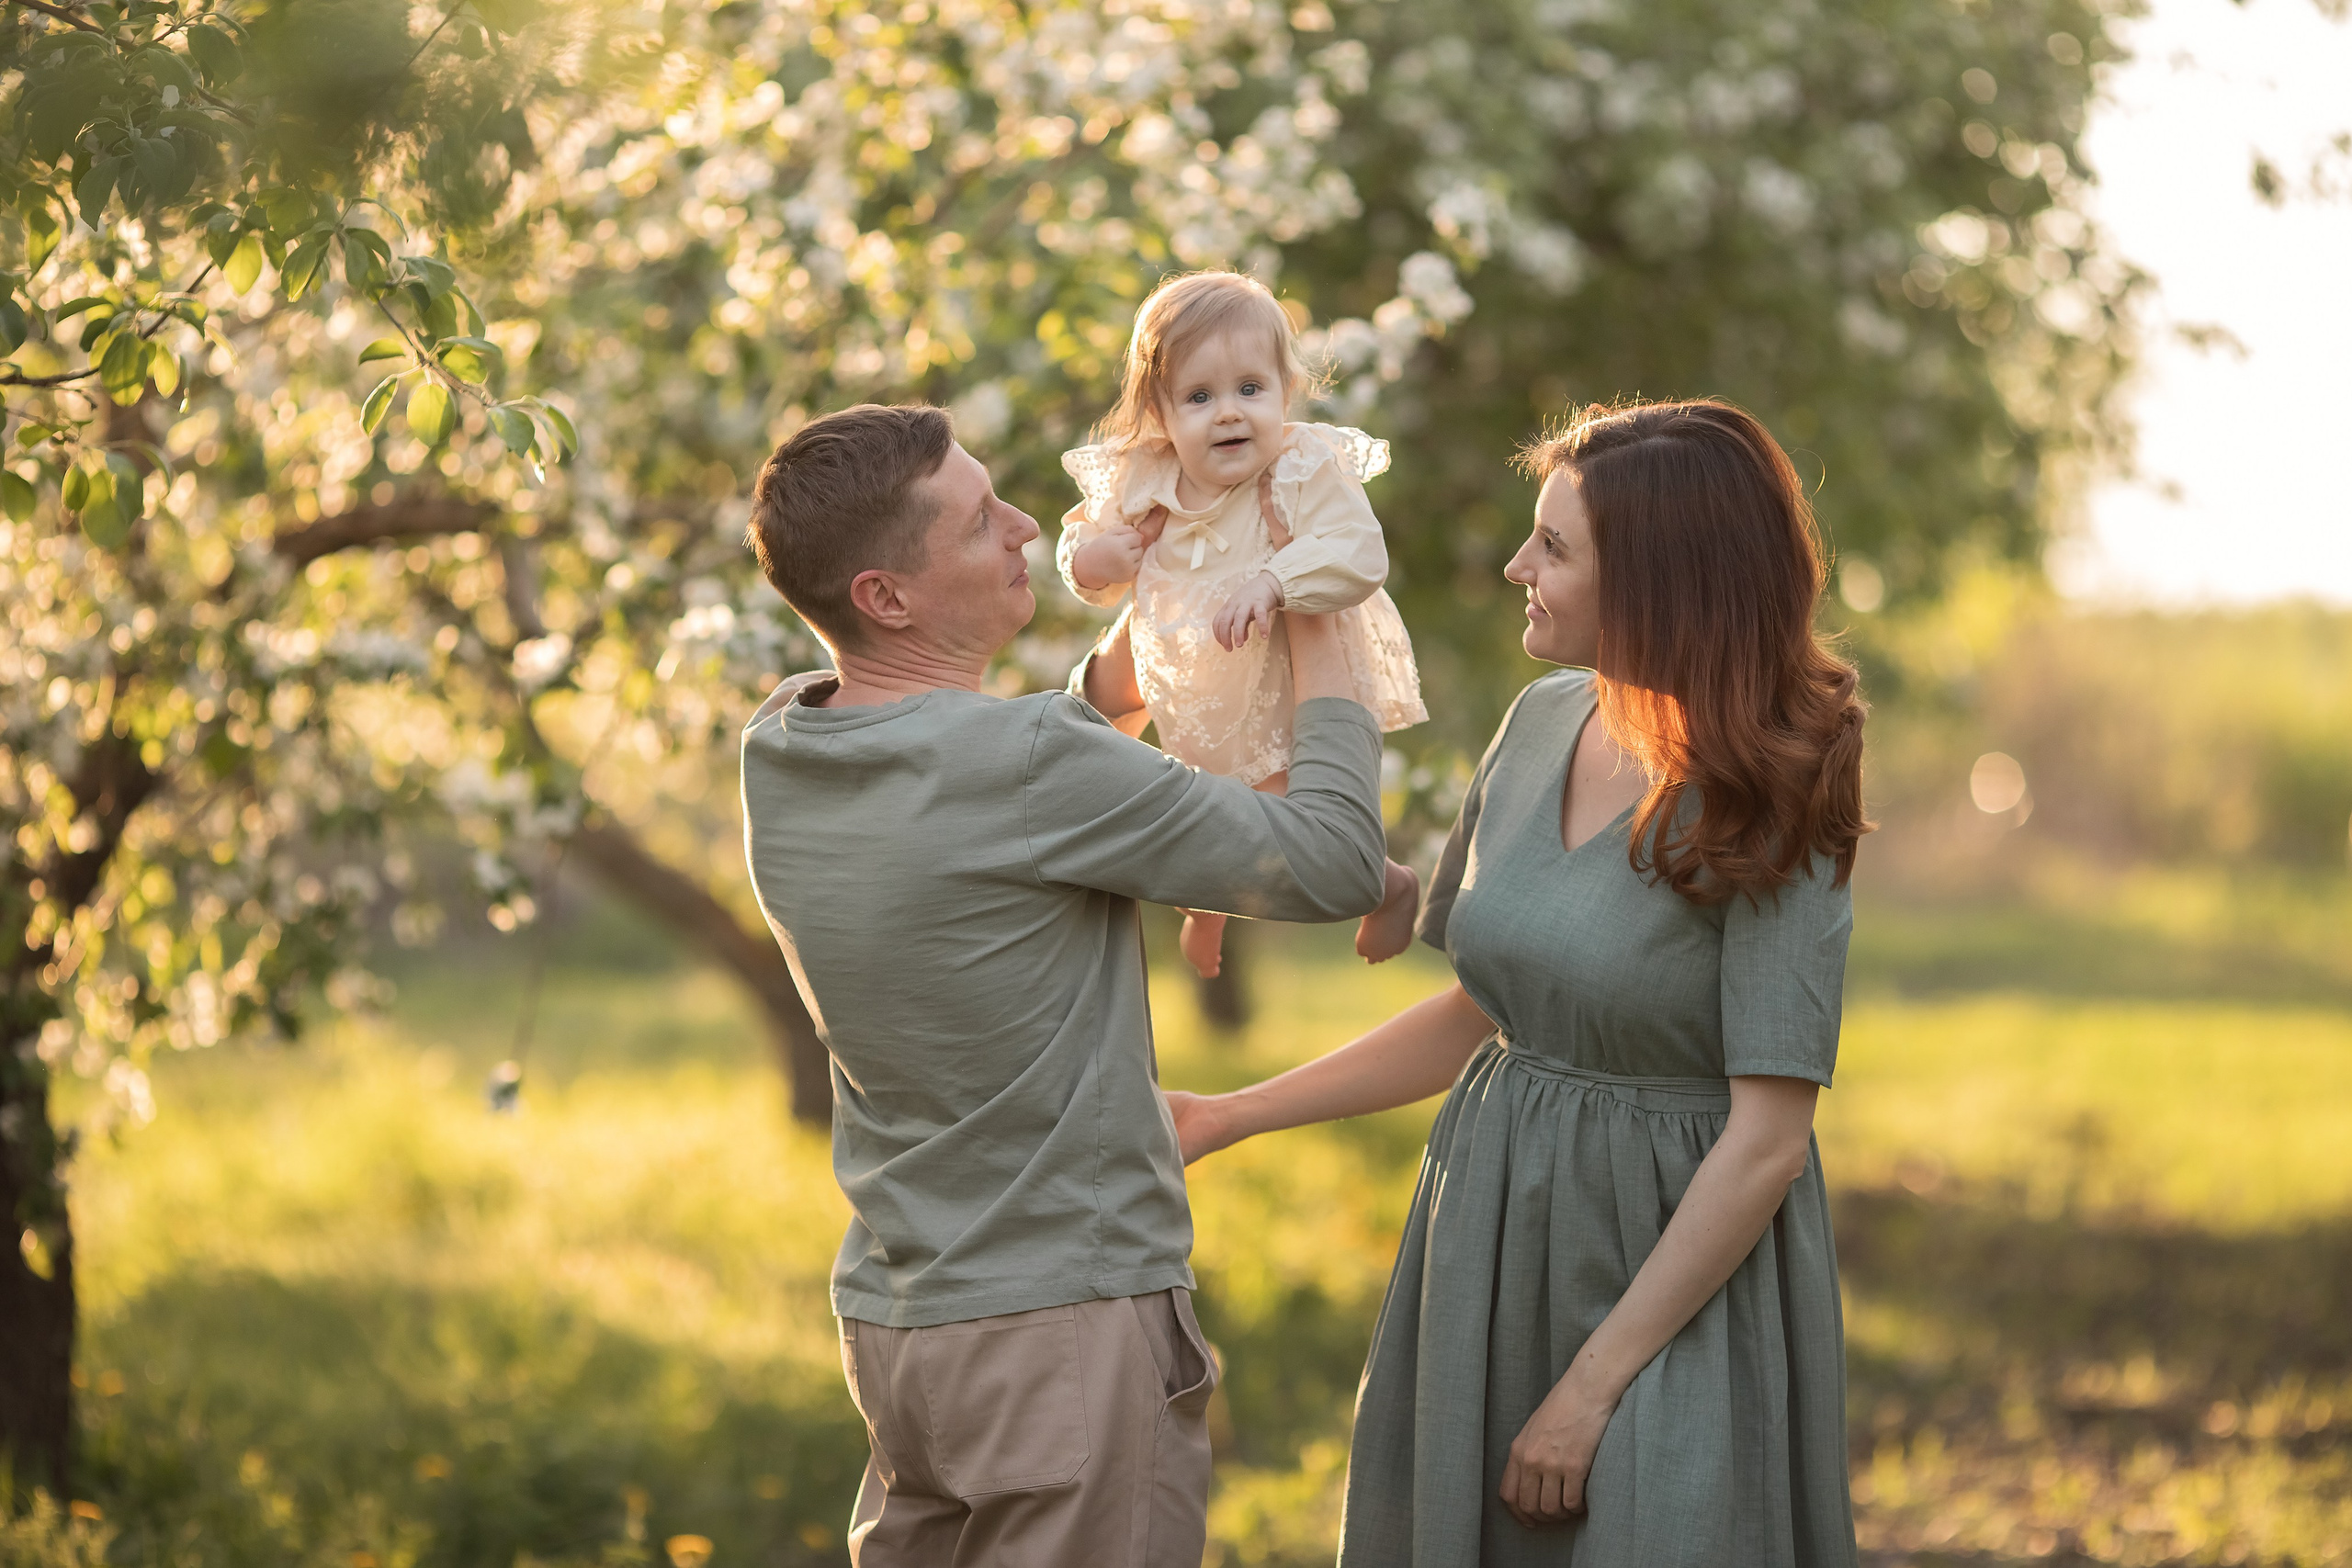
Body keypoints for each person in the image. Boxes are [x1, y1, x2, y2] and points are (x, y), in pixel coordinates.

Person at [1170, 399, 1872, 1566]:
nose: (1515, 568)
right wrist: (1226, 1115)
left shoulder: (1776, 787)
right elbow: (1483, 1015)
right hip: (1493, 1233)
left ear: (1658, 584)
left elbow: (1767, 1142)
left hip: (1673, 1272)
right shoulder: (1541, 719)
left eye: (1552, 547)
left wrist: (1590, 1390)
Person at [736, 402, 1391, 1567]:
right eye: (978, 520)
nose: (1025, 526)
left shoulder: (786, 743)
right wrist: (1318, 594)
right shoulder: (1031, 763)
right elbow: (1334, 861)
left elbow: (1000, 791)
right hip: (1062, 1333)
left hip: (903, 1329)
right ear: (886, 596)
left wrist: (1152, 637)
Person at [1056, 269, 1427, 978]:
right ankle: (1206, 905)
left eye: (1250, 389)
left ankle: (1390, 884)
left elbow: (1359, 552)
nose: (1229, 413)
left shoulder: (1300, 465)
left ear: (1286, 391)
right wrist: (1092, 561)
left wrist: (1275, 580)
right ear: (1160, 413)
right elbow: (1080, 542)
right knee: (1202, 803)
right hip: (1188, 673)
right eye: (1199, 397)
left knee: (1277, 813)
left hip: (1275, 676)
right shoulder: (1143, 476)